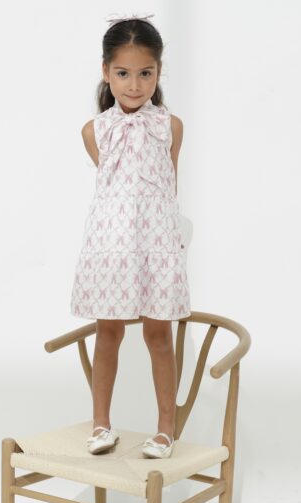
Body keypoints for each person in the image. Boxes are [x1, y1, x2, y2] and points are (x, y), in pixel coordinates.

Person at [69, 12, 192, 459]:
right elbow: (111, 192)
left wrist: (167, 243)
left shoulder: (170, 127)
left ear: (158, 72)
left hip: (156, 244)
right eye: (123, 73)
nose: (135, 85)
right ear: (106, 72)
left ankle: (165, 430)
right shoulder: (95, 131)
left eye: (145, 73)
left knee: (159, 336)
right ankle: (101, 424)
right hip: (112, 247)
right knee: (109, 333)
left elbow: (168, 190)